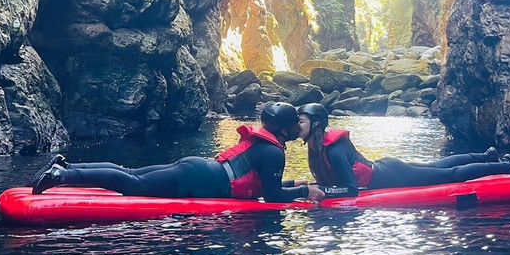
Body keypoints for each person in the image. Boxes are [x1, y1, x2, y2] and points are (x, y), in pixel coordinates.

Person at [28, 102, 324, 202]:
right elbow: (270, 197)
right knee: (133, 185)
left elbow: (267, 185)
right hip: (201, 180)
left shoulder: (265, 147)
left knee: (130, 173)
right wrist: (304, 193)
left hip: (199, 168)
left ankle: (66, 167)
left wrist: (294, 184)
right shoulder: (274, 153)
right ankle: (61, 175)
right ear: (283, 128)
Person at [295, 102, 510, 198]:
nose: (296, 126)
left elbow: (351, 190)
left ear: (315, 124)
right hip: (386, 168)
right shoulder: (317, 145)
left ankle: (506, 165)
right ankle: (486, 155)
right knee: (437, 167)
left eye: (301, 122)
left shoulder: (333, 150)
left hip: (391, 175)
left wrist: (318, 190)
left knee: (448, 174)